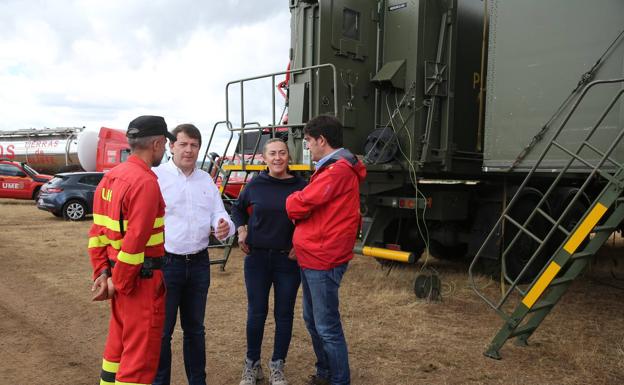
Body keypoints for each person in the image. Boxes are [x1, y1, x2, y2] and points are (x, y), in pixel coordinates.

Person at [88, 115, 174, 385]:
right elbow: (135, 244)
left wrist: (103, 273)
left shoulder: (110, 178)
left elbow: (98, 234)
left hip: (119, 279)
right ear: (158, 143)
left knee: (116, 355)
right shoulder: (145, 183)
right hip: (139, 285)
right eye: (166, 144)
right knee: (137, 365)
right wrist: (122, 284)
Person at [285, 115, 366, 385]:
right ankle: (326, 372)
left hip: (323, 256)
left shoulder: (337, 170)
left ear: (322, 140)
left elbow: (299, 204)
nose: (307, 146)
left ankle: (337, 379)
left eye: (308, 140)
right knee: (313, 319)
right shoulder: (334, 168)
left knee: (326, 326)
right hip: (315, 255)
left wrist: (292, 199)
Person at [152, 123, 234, 385]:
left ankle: (198, 381)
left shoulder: (206, 180)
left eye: (194, 145)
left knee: (195, 331)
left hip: (199, 263)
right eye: (184, 144)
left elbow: (219, 214)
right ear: (171, 146)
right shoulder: (156, 177)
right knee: (162, 334)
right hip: (167, 264)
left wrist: (224, 226)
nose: (189, 150)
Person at [231, 138, 307, 385]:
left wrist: (300, 243)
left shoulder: (301, 186)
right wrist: (241, 229)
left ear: (288, 157)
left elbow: (312, 219)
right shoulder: (255, 185)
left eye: (282, 153)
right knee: (256, 312)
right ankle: (252, 365)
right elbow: (238, 209)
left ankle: (277, 366)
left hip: (288, 260)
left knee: (284, 314)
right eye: (272, 153)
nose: (277, 158)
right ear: (264, 158)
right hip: (257, 259)